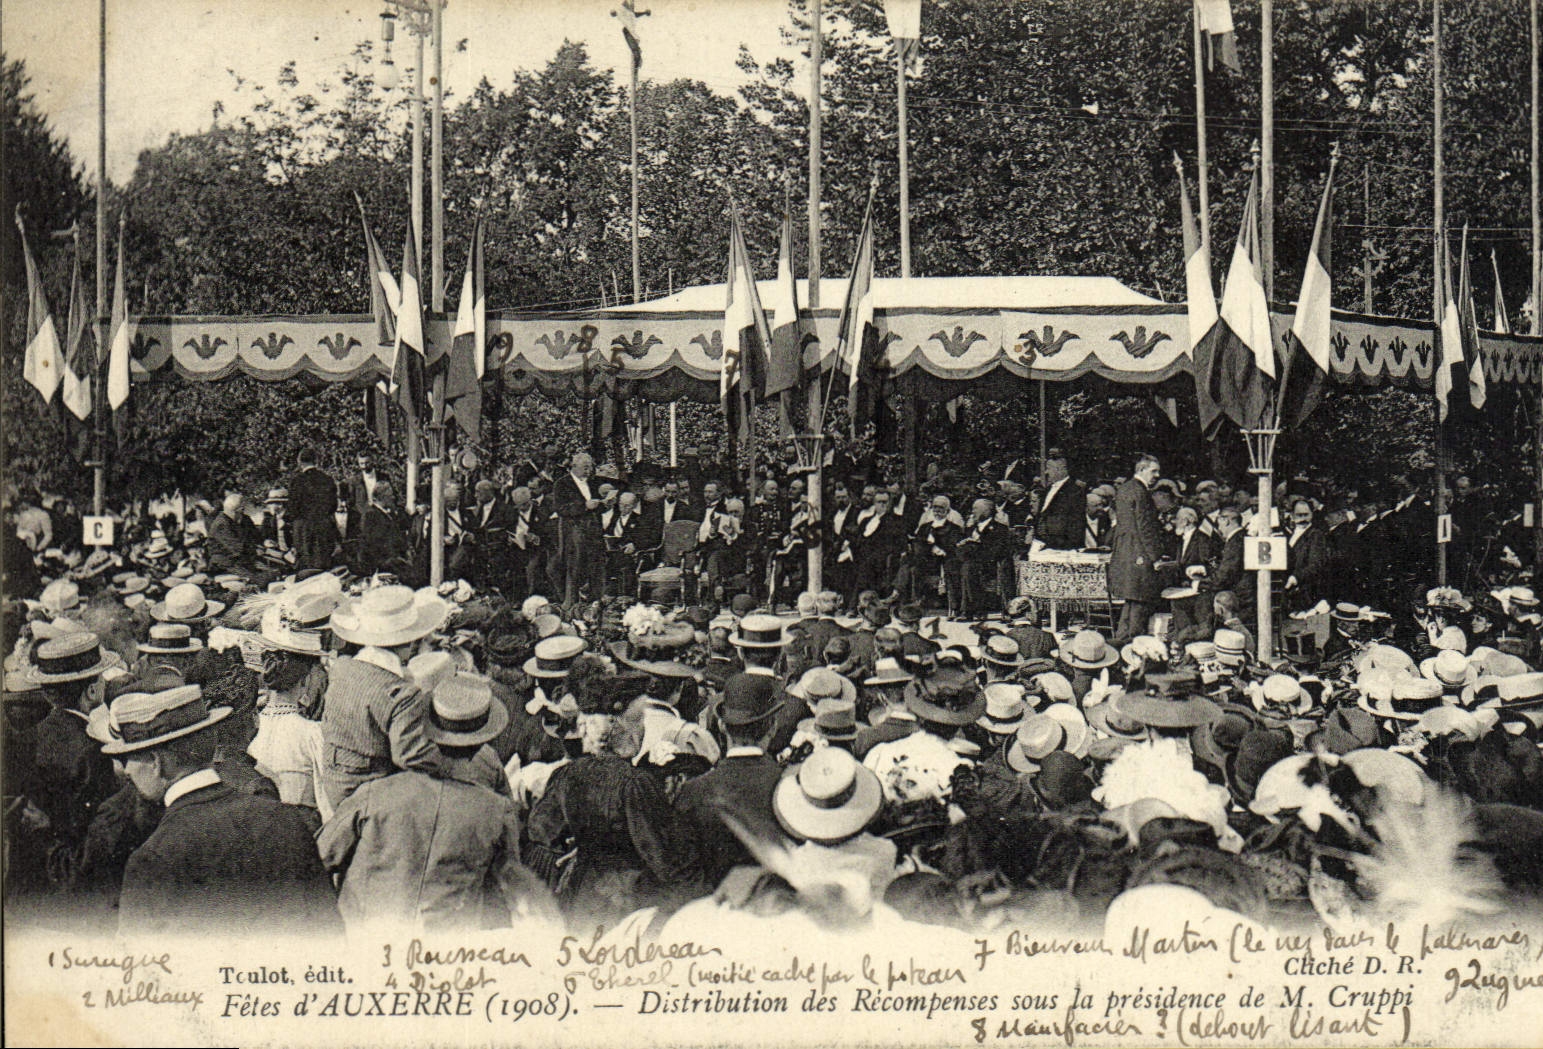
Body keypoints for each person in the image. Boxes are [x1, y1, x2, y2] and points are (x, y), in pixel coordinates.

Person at [318, 671, 557, 932]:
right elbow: (504, 889)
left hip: (366, 936)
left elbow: (320, 855)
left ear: (426, 731)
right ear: (482, 742)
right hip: (443, 950)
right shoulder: (496, 811)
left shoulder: (375, 793)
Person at [102, 681, 340, 937]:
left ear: (156, 762)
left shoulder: (153, 859)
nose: (126, 770)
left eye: (129, 757)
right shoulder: (286, 819)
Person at [320, 585, 447, 807]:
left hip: (333, 781)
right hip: (371, 792)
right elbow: (410, 756)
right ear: (410, 642)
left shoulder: (341, 668)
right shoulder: (403, 695)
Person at [1108, 454, 1164, 643]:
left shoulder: (1124, 489)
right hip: (1139, 554)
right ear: (1141, 470)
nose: (1157, 475)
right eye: (1153, 471)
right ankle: (1133, 645)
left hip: (1125, 552)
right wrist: (1155, 557)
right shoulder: (1141, 493)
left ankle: (1120, 641)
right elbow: (1145, 528)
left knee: (1131, 602)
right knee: (1139, 604)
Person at [552, 452, 606, 606]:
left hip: (594, 532)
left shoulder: (593, 483)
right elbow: (560, 508)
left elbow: (596, 506)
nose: (588, 471)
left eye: (590, 467)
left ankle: (595, 605)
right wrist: (584, 506)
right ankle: (571, 606)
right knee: (574, 568)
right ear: (574, 467)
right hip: (573, 533)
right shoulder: (561, 484)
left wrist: (604, 504)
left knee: (596, 567)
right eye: (585, 467)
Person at [288, 449, 340, 570]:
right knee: (323, 563)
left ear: (299, 462)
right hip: (323, 527)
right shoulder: (327, 480)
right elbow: (333, 506)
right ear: (316, 461)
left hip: (304, 529)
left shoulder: (297, 481)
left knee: (306, 565)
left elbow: (293, 509)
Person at [356, 481, 412, 579]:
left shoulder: (389, 514)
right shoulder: (370, 515)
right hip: (380, 568)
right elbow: (370, 544)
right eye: (390, 495)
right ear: (382, 497)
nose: (393, 498)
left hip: (391, 565)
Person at [1035, 453, 1086, 550]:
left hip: (1063, 546)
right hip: (1044, 544)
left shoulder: (1074, 490)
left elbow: (1075, 521)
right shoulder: (1047, 489)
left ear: (1061, 469)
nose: (1046, 472)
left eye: (1049, 468)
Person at [206, 492, 259, 576]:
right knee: (261, 579)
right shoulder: (221, 524)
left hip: (244, 562)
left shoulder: (244, 520)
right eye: (242, 509)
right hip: (225, 565)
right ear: (238, 510)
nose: (243, 512)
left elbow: (256, 537)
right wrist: (256, 550)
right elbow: (237, 548)